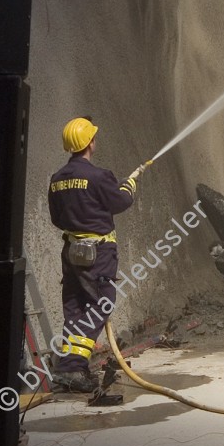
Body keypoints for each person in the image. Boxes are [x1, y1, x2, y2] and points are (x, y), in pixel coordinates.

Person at [47, 117, 149, 392]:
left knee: (75, 306)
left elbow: (57, 218)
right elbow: (121, 201)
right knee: (102, 303)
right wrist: (129, 184)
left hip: (71, 252)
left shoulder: (57, 180)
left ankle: (72, 369)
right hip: (98, 253)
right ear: (90, 142)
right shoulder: (99, 176)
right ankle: (71, 366)